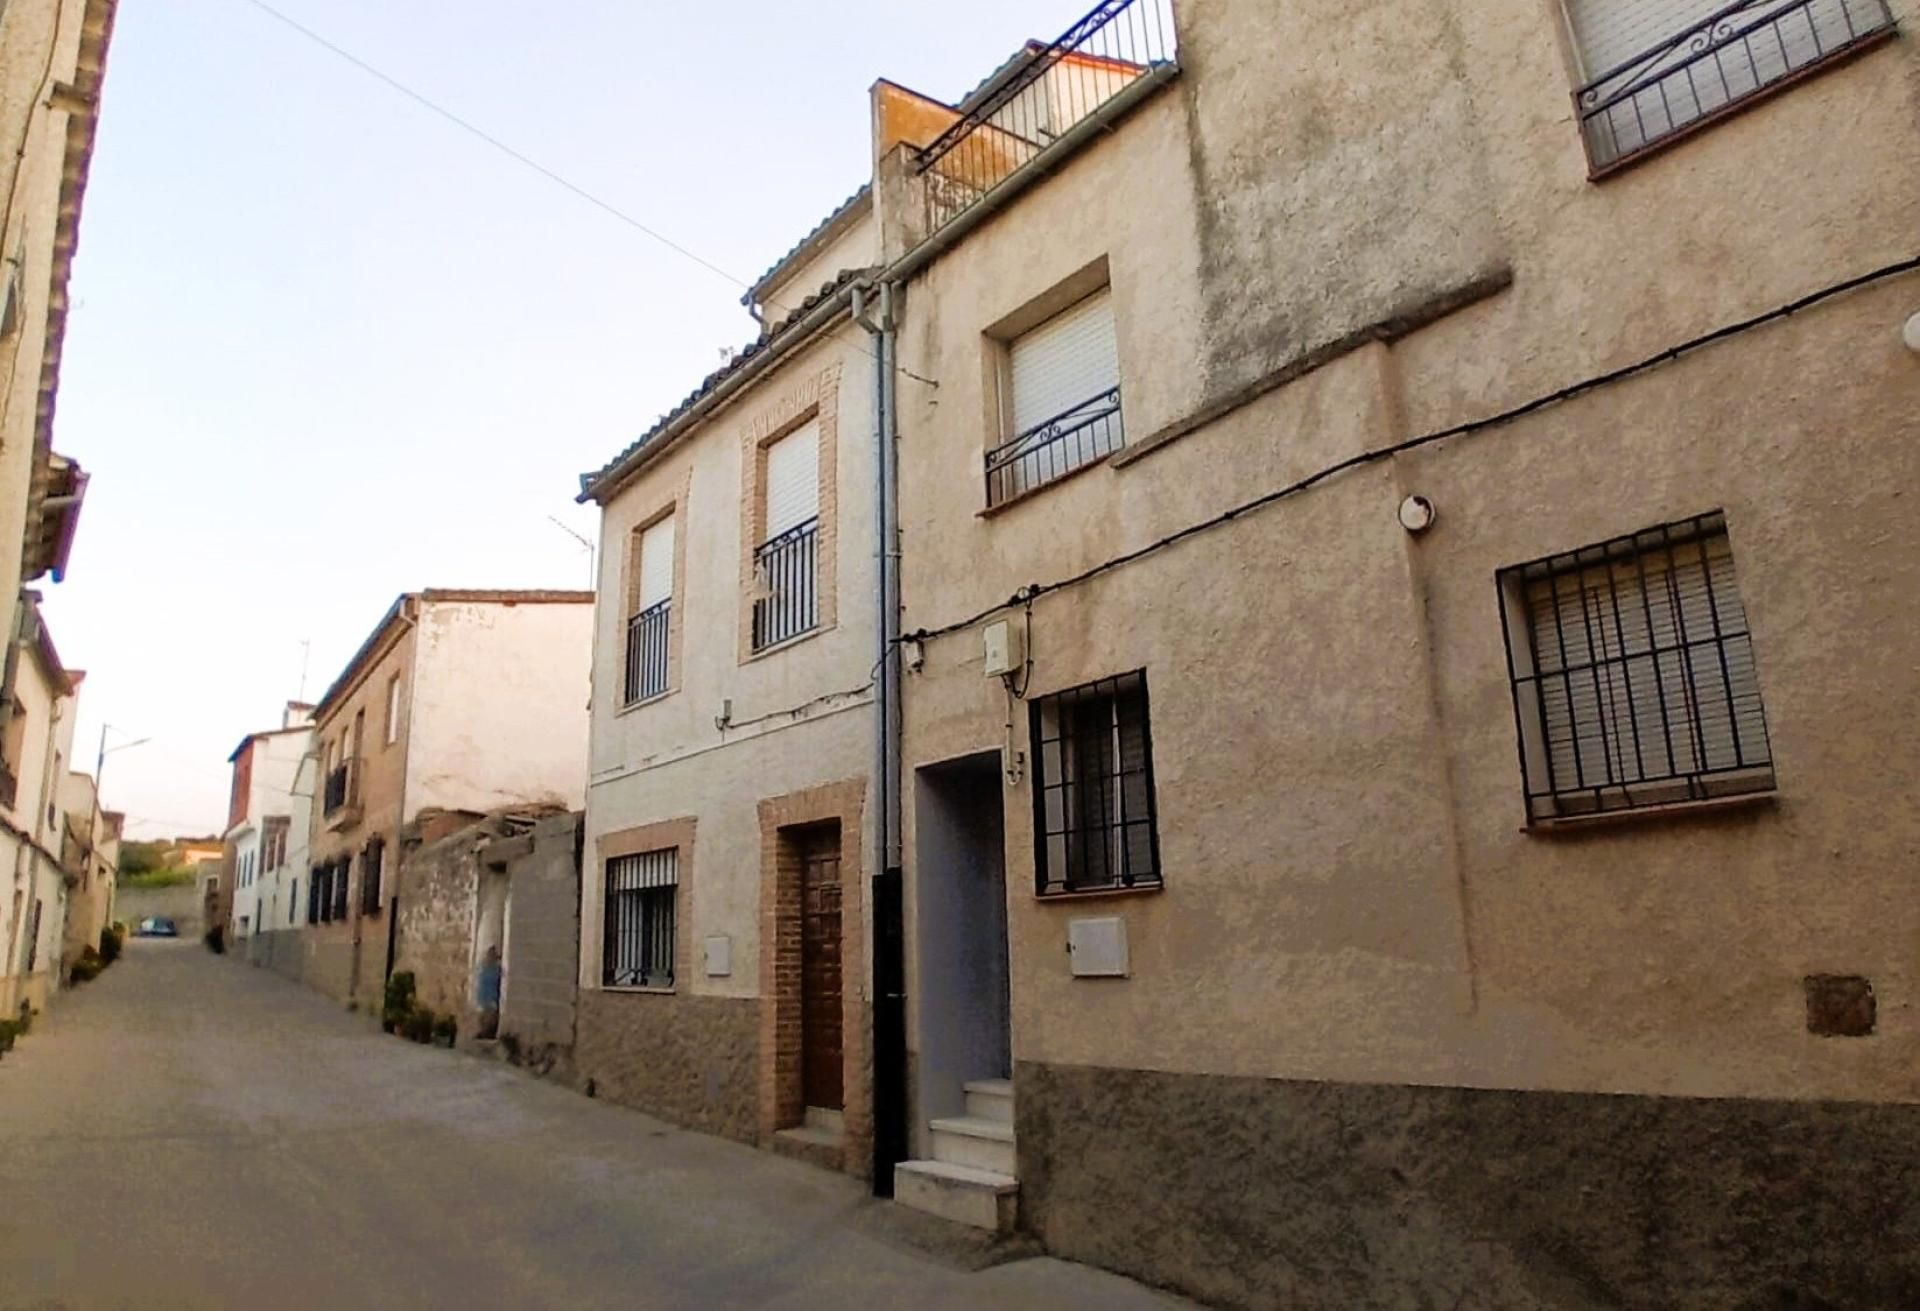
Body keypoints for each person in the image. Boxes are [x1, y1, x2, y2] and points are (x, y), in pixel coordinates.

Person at [475, 945, 502, 1040]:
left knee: (491, 1016)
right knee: (483, 1016)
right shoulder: (483, 967)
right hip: (484, 995)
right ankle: (482, 1031)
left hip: (492, 996)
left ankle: (489, 1032)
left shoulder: (497, 969)